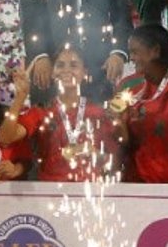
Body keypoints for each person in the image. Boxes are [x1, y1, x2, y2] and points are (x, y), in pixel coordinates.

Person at [17, 45, 122, 182]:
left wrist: (95, 154)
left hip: (90, 192)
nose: (66, 70)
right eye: (60, 65)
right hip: (50, 191)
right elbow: (5, 138)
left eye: (73, 65)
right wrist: (20, 96)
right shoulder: (41, 111)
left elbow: (115, 163)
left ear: (85, 73)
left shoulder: (99, 112)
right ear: (53, 72)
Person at [115, 24, 168, 183]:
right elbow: (123, 143)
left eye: (135, 51)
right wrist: (118, 123)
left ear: (155, 51)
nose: (131, 58)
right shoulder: (127, 86)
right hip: (137, 185)